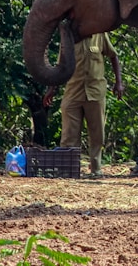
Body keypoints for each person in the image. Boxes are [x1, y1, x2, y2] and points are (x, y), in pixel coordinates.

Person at [43, 32, 124, 177]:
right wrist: (51, 89)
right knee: (69, 134)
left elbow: (113, 55)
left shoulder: (100, 35)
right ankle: (69, 169)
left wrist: (119, 83)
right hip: (73, 91)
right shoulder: (69, 37)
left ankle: (96, 169)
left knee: (97, 133)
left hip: (95, 91)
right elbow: (60, 66)